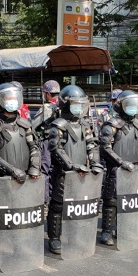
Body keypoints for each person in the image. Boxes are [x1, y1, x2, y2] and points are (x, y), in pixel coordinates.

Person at [0, 82, 41, 269]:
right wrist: (12, 171)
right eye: (8, 99)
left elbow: (34, 148)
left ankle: (19, 247)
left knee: (20, 215)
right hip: (2, 179)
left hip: (23, 178)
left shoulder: (25, 125)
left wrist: (34, 167)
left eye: (14, 98)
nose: (12, 102)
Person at [46, 85, 103, 255]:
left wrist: (94, 163)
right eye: (75, 104)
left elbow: (92, 145)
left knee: (77, 205)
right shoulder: (58, 125)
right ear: (65, 104)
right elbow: (56, 149)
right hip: (63, 173)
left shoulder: (84, 125)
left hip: (81, 172)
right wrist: (71, 166)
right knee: (57, 206)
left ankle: (74, 236)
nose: (78, 107)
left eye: (81, 104)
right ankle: (54, 238)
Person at [99, 90, 138, 245]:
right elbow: (105, 147)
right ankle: (107, 232)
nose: (133, 108)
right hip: (117, 168)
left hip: (134, 167)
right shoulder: (111, 125)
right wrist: (121, 162)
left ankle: (125, 227)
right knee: (112, 201)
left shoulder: (137, 124)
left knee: (131, 200)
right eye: (129, 105)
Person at [31, 80, 61, 206]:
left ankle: (44, 201)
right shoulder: (65, 105)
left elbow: (33, 125)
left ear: (48, 94)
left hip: (48, 143)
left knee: (45, 171)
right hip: (62, 143)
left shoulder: (47, 107)